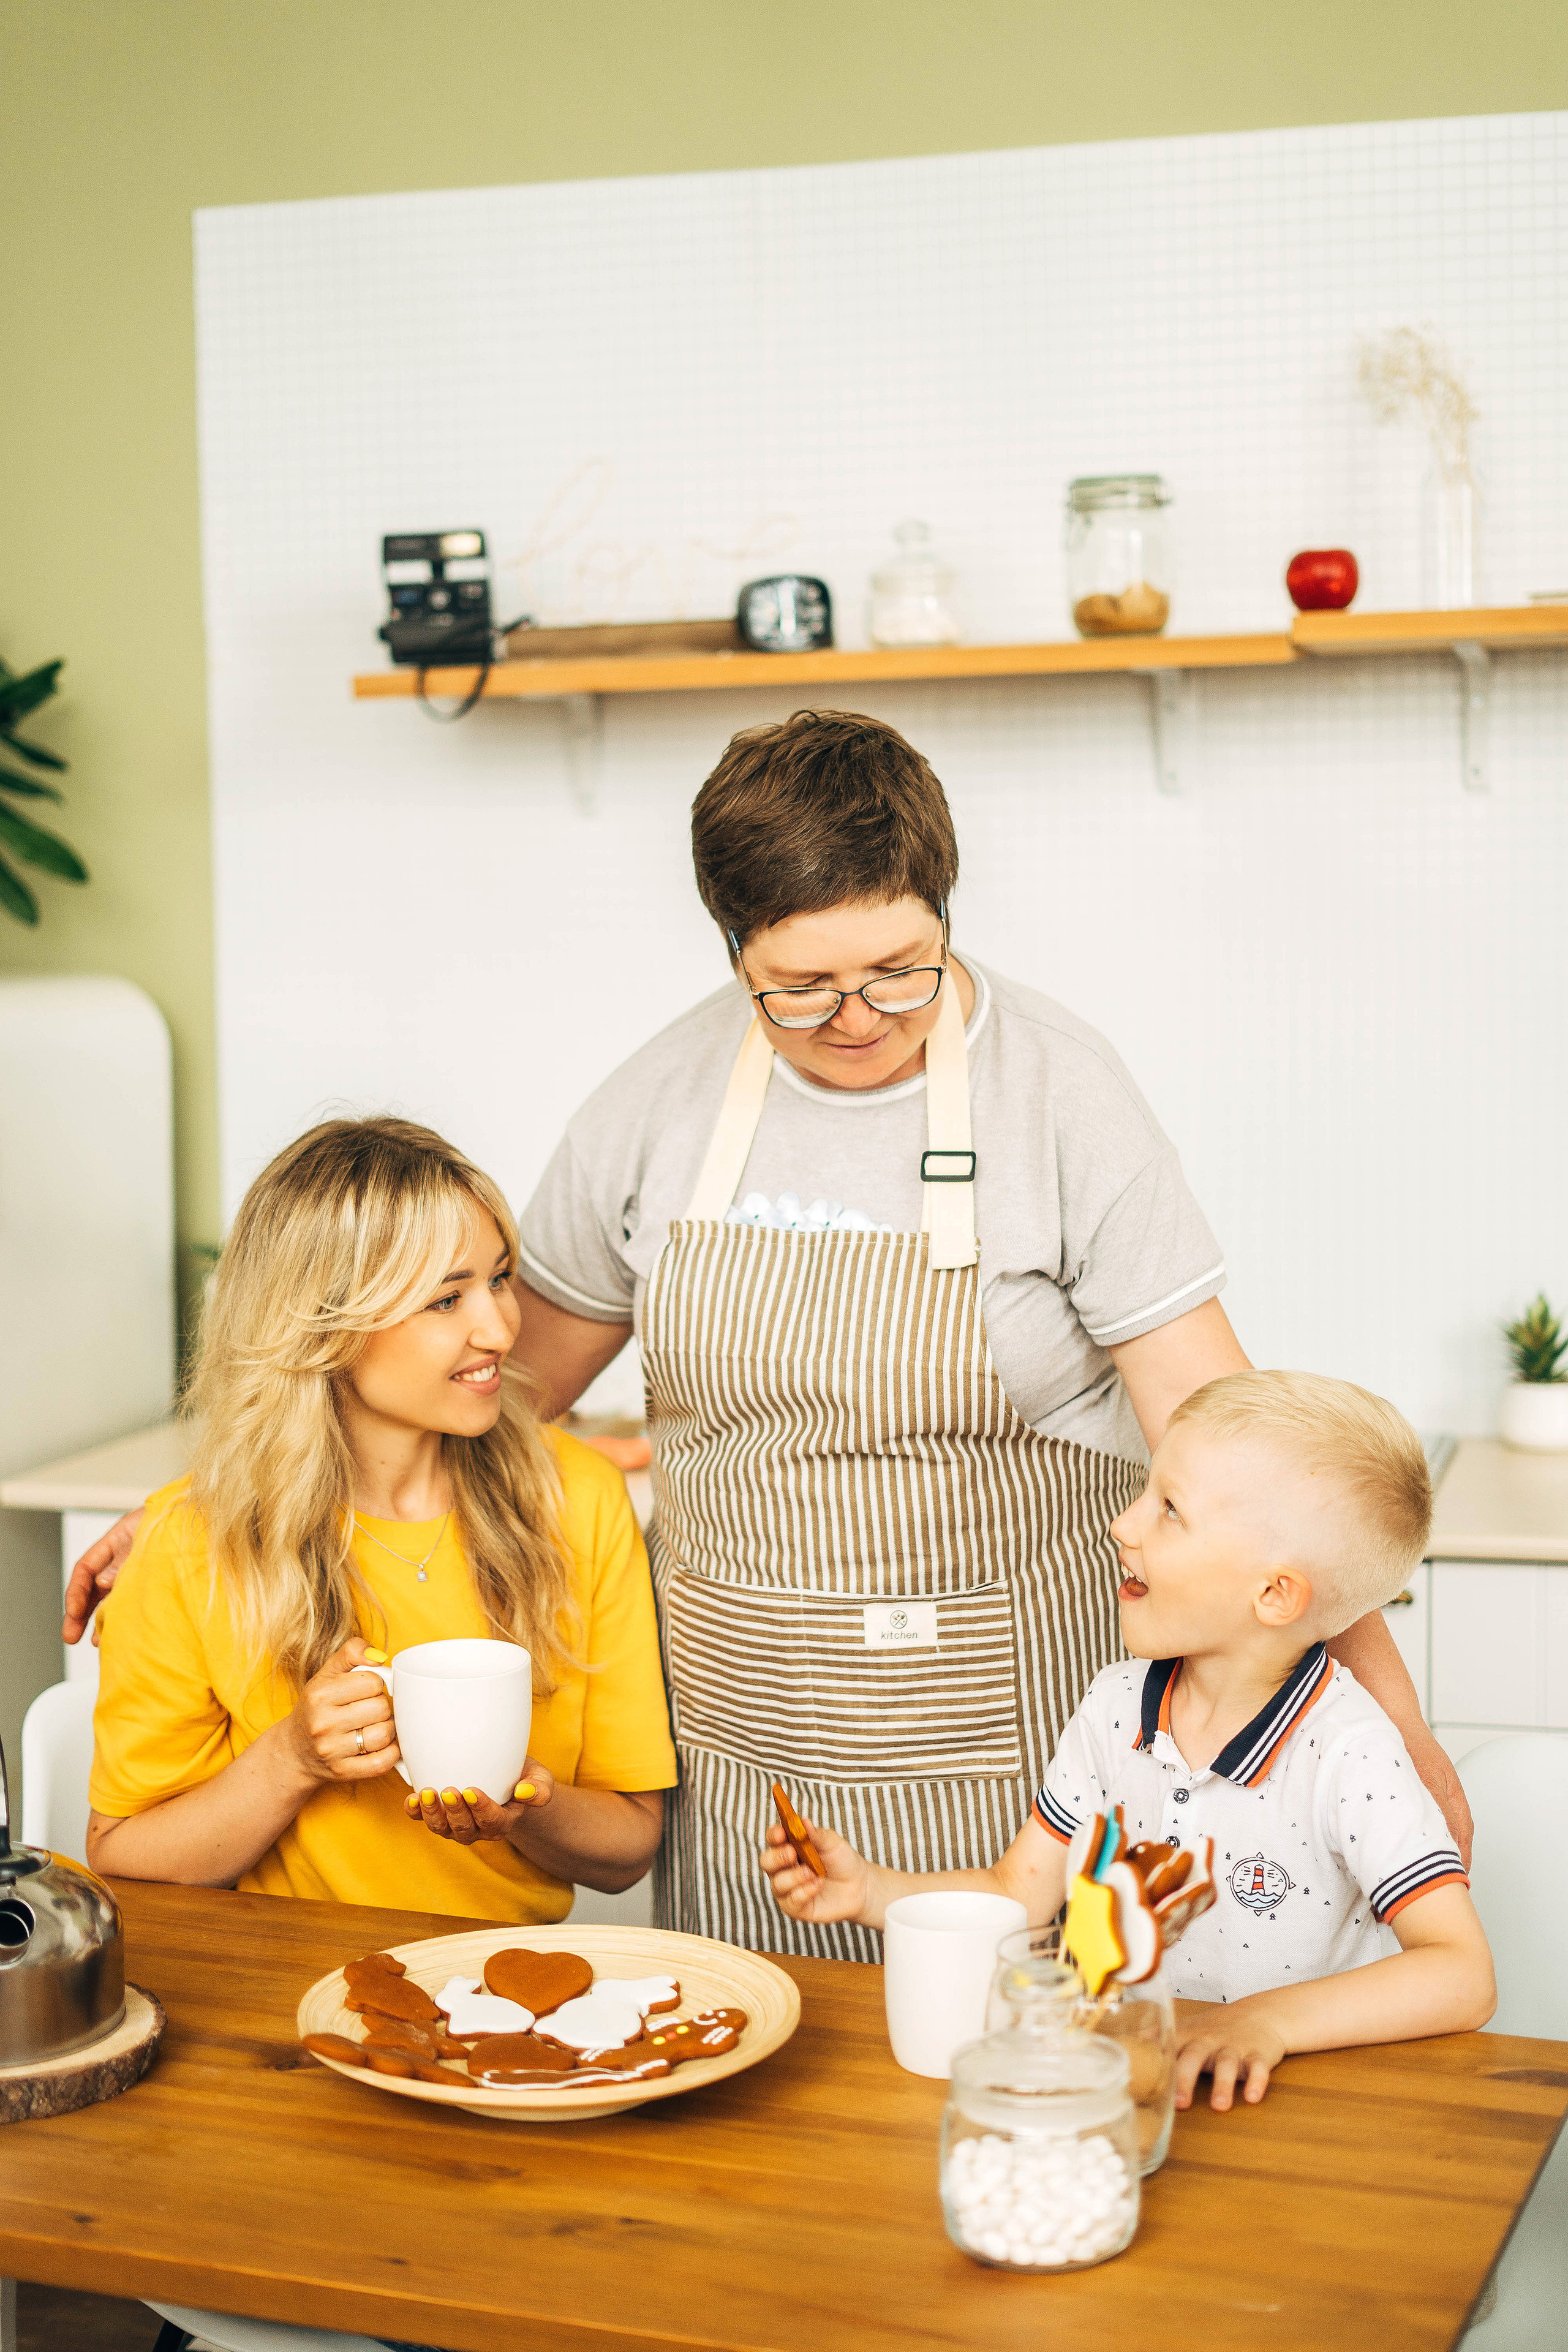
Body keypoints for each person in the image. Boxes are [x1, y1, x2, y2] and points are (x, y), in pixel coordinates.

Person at [69, 710, 1470, 1951]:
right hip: (749, 1755)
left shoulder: (1059, 1096)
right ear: (731, 945)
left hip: (1010, 1745)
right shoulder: (659, 1102)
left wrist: (1390, 1728)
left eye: (899, 970)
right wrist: (229, 1503)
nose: (856, 1018)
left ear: (944, 910)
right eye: (798, 986)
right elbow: (488, 1382)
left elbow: (1240, 1462)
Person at [763, 1370, 1495, 2106]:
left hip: (1286, 2109)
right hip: (1123, 2094)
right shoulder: (1113, 1707)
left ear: (1274, 1593)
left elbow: (1462, 1975)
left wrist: (1265, 2022)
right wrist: (871, 1892)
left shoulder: (1349, 1752)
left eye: (1169, 1509)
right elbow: (1017, 1893)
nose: (1122, 1524)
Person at [86, 1117, 676, 1920]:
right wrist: (293, 1759)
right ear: (323, 1324)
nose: (500, 1329)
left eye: (500, 1279)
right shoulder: (188, 1544)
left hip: (504, 1980)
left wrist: (524, 1807)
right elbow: (123, 1856)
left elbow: (629, 1849)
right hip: (284, 1978)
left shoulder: (577, 1498)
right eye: (446, 1299)